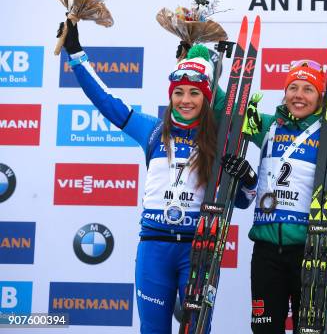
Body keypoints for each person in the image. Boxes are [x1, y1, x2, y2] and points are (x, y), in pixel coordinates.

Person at [56, 20, 255, 334]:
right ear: (171, 95)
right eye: (179, 93)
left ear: (205, 98)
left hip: (198, 249)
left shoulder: (218, 140)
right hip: (154, 248)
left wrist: (248, 178)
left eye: (194, 93)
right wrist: (75, 52)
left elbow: (241, 202)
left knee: (196, 330)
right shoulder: (151, 131)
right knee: (152, 329)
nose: (186, 100)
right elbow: (106, 101)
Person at [221, 60, 327, 333]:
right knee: (265, 329)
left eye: (308, 89)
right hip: (266, 252)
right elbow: (226, 109)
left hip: (311, 250)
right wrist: (200, 64)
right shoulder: (267, 126)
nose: (298, 95)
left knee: (309, 329)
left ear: (321, 97)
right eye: (293, 87)